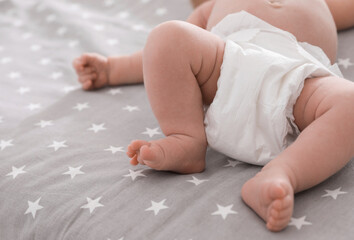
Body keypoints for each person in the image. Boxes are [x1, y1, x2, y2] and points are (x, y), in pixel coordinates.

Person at [73, 0, 354, 231]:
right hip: (225, 69)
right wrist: (112, 69)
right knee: (167, 35)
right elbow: (154, 57)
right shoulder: (212, 7)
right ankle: (186, 139)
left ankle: (282, 173)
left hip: (297, 84)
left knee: (350, 101)